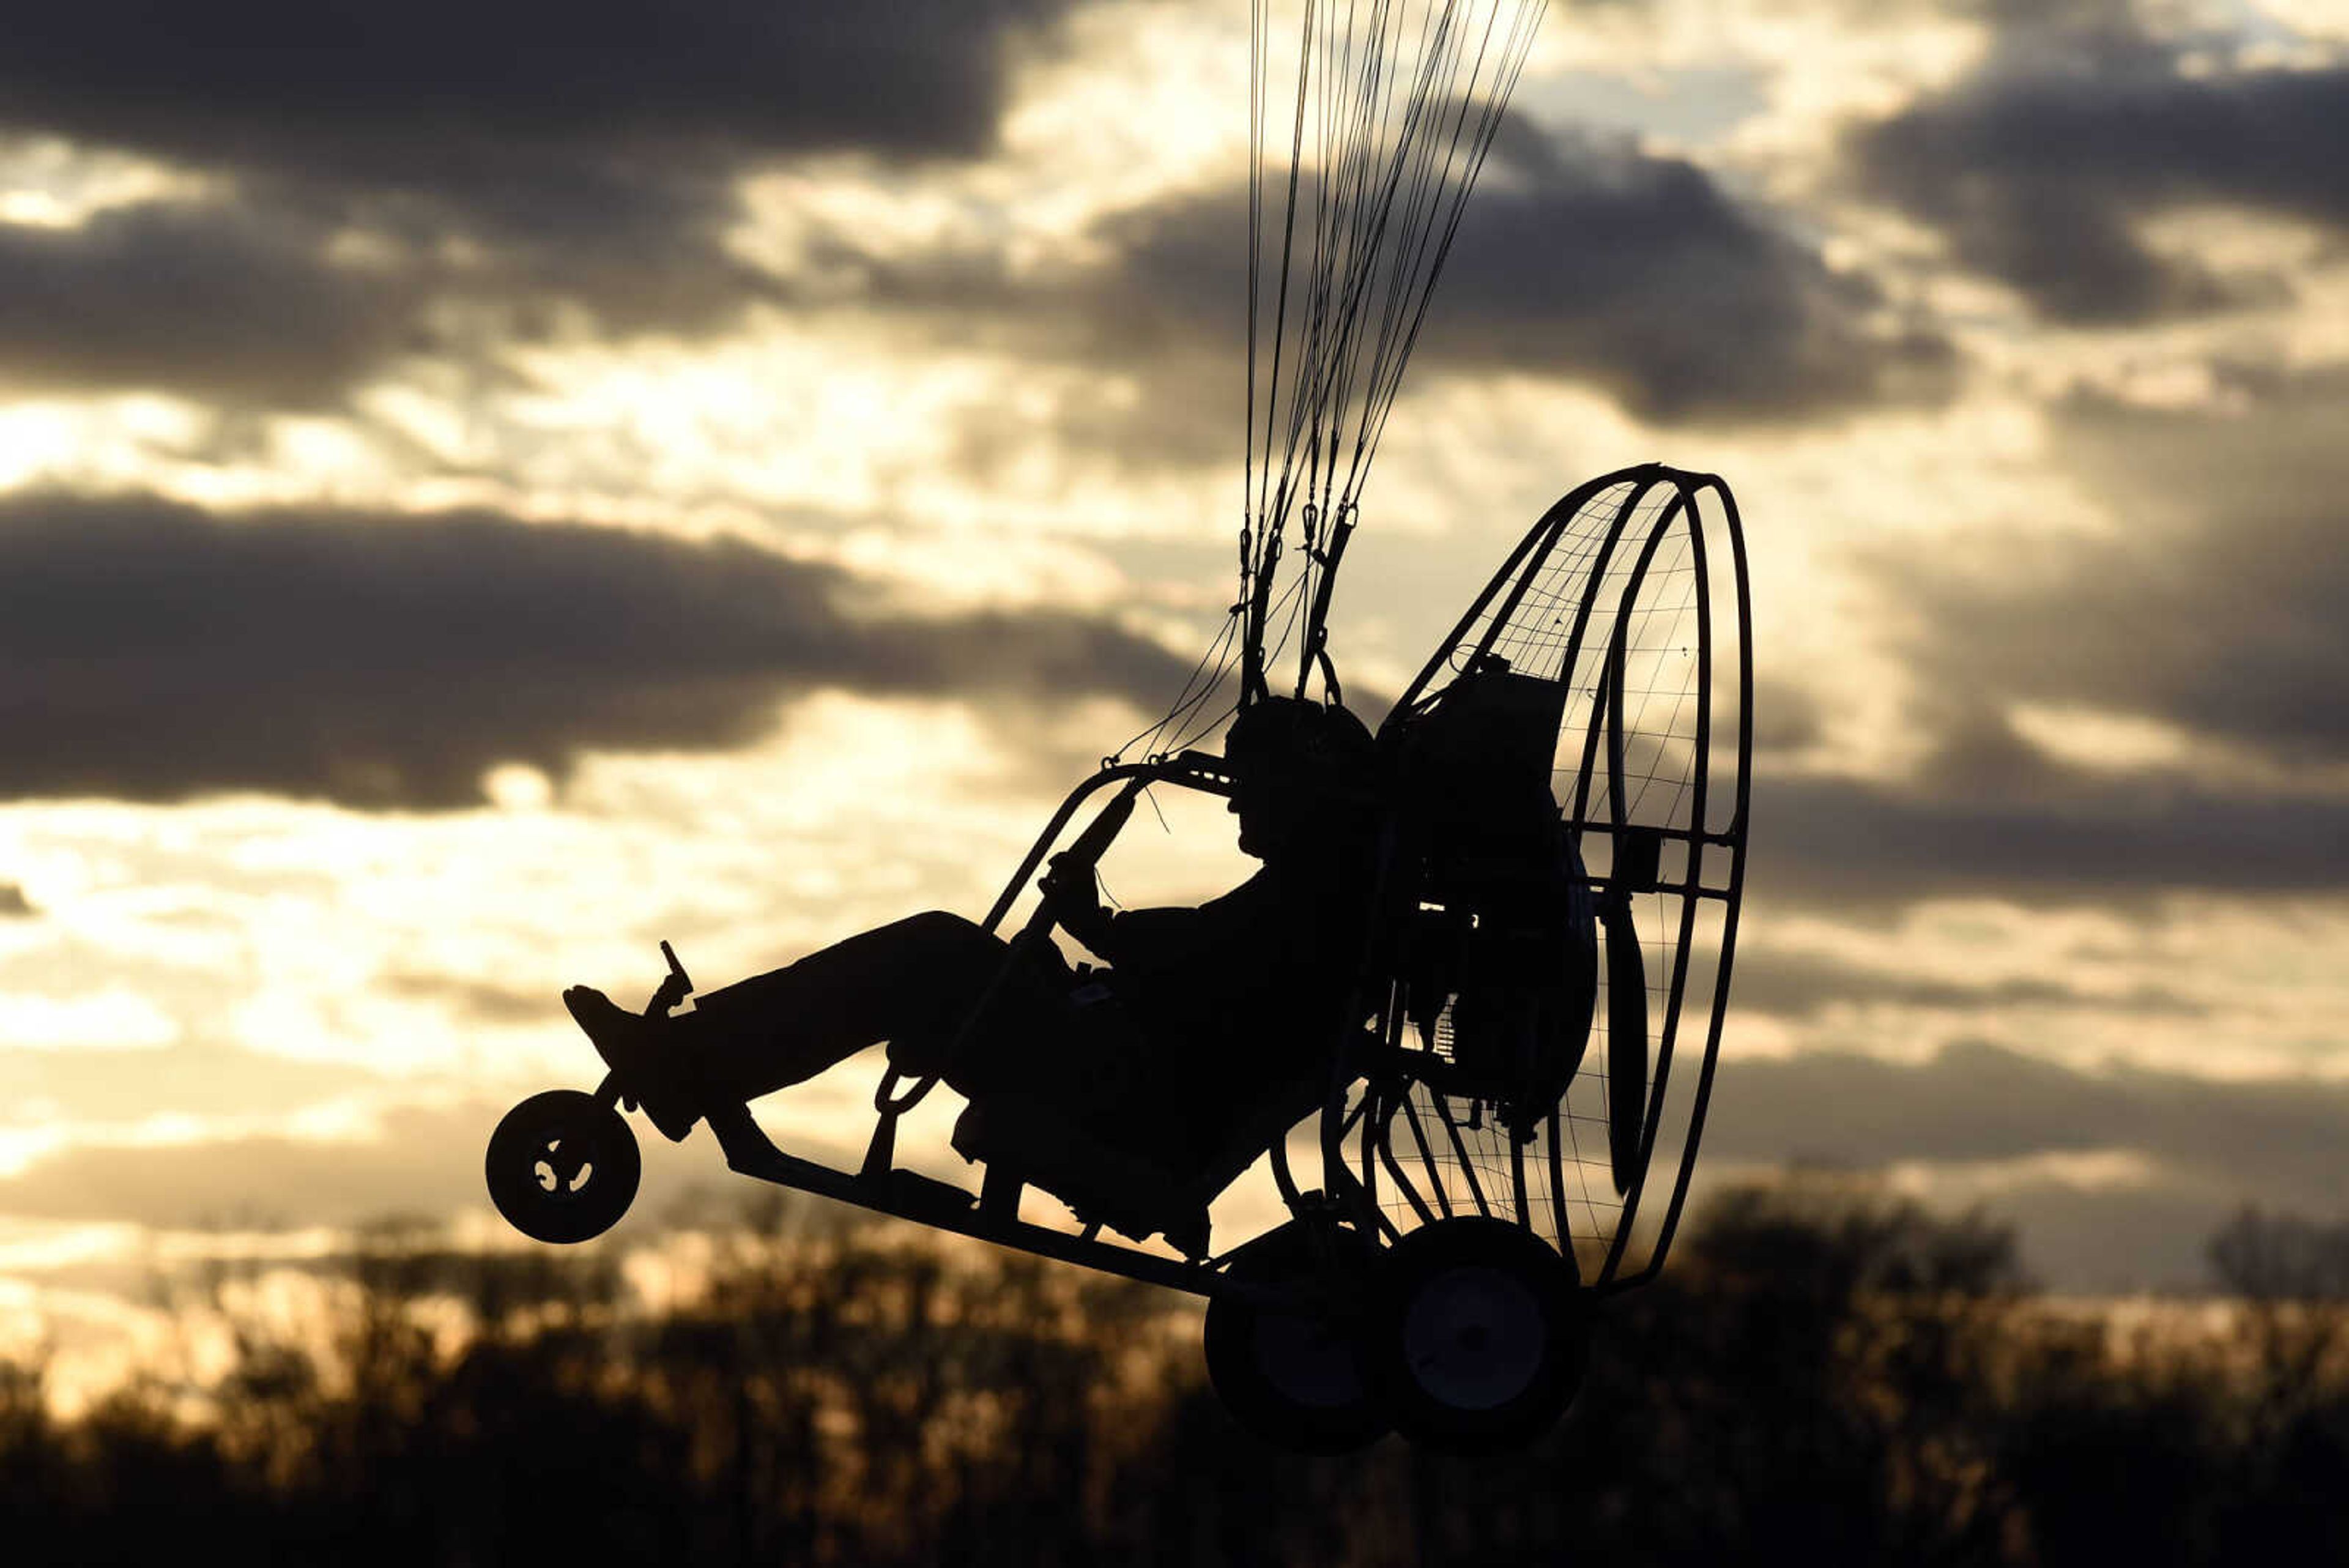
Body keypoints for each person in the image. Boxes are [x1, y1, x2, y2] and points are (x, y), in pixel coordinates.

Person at [562, 698, 1382, 1192]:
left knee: (933, 956)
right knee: (942, 952)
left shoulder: (1316, 901)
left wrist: (1097, 931)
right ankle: (688, 1057)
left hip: (1127, 1092)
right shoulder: (1319, 895)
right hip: (1119, 1058)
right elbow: (1203, 961)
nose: (1236, 806)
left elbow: (1208, 961)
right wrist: (1085, 958)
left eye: (1251, 788)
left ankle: (685, 1062)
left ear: (1303, 793)